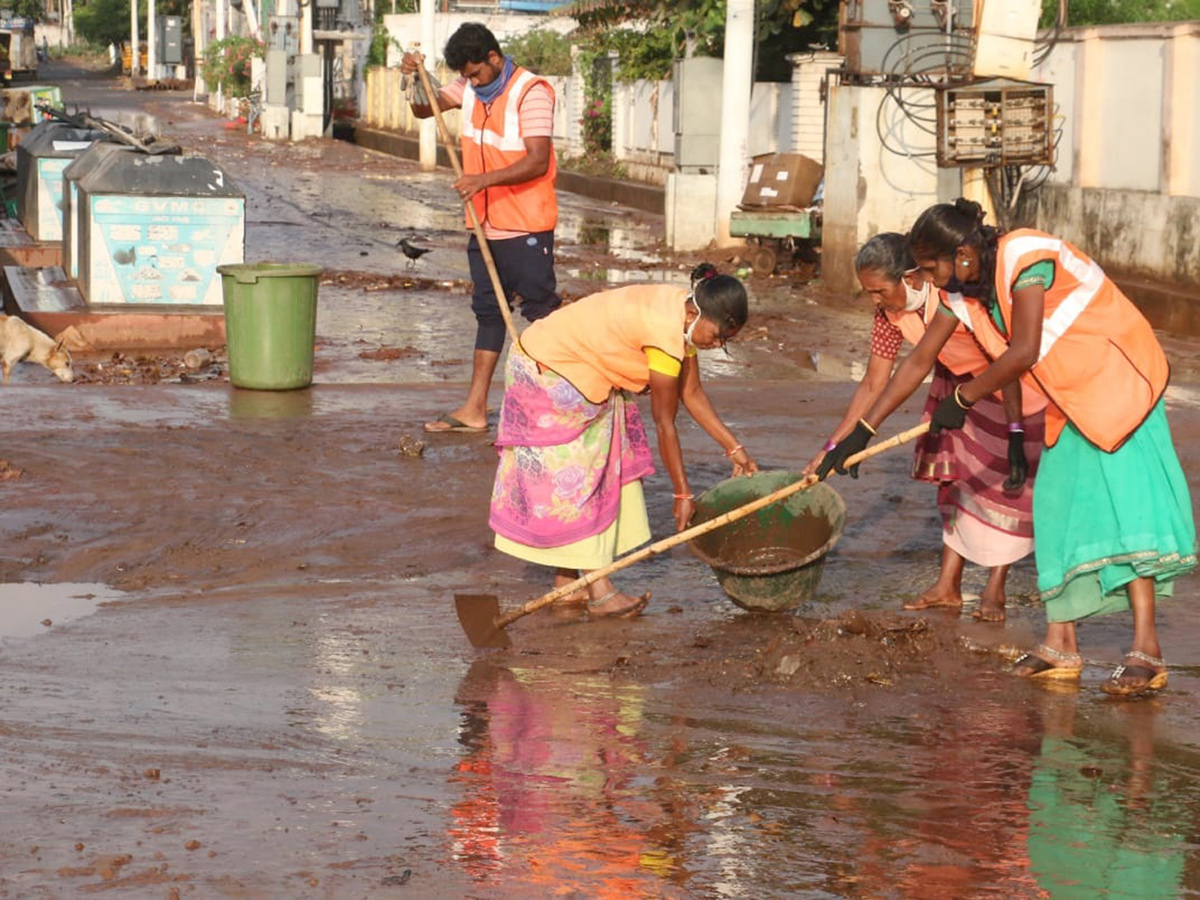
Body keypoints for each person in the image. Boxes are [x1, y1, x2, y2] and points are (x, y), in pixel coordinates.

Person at [820, 199, 1196, 694]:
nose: (930, 281)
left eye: (933, 267)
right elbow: (916, 364)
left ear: (964, 252)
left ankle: (1147, 649)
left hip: (1117, 384)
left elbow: (1022, 351)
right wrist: (857, 434)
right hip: (1068, 398)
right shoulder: (962, 292)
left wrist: (964, 396)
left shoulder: (1025, 258)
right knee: (1057, 512)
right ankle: (1060, 642)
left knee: (1122, 513)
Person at [488, 265, 758, 618]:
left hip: (571, 364)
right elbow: (665, 422)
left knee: (608, 453)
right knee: (584, 478)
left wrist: (735, 450)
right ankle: (600, 591)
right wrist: (681, 494)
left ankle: (566, 583)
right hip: (548, 369)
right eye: (718, 335)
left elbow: (691, 394)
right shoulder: (666, 333)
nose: (717, 344)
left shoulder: (683, 317)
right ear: (696, 313)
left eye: (726, 341)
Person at [807, 233, 1045, 622]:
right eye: (868, 293)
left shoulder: (951, 297)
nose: (875, 301)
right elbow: (874, 382)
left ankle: (995, 589)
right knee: (955, 484)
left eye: (879, 291)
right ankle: (948, 585)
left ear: (912, 277)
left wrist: (1014, 425)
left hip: (1007, 390)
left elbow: (1001, 357)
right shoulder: (886, 315)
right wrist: (836, 445)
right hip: (954, 389)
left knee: (1006, 489)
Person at [400, 23, 561, 435]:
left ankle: (562, 401)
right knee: (489, 313)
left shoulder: (531, 92)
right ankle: (475, 408)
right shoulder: (468, 88)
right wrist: (413, 79)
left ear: (493, 57)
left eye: (475, 74)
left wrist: (483, 181)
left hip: (526, 225)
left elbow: (538, 160)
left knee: (542, 314)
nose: (470, 82)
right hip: (484, 225)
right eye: (465, 76)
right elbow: (426, 109)